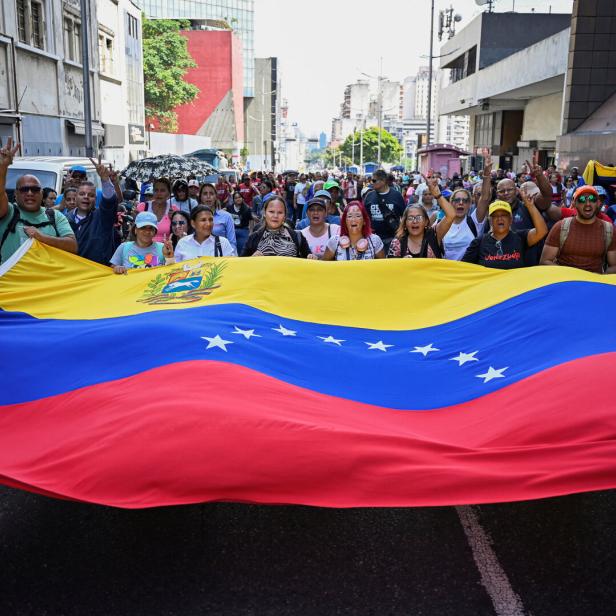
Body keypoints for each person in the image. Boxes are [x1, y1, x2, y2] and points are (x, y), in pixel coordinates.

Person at [0, 137, 77, 263]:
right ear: (15, 194)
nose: (30, 193)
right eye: (24, 189)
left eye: (35, 189)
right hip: (14, 281)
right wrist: (3, 168)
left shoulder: (55, 216)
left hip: (47, 280)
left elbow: (72, 246)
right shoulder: (7, 212)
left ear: (41, 194)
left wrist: (41, 237)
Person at [540, 186, 616, 274]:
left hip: (594, 285)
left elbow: (614, 266)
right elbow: (545, 261)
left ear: (598, 203)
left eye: (592, 199)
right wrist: (571, 276)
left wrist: (599, 277)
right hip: (566, 284)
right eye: (582, 199)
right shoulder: (560, 227)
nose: (588, 203)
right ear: (574, 203)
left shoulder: (609, 229)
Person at [462, 193, 548, 269]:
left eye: (504, 215)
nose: (500, 219)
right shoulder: (479, 242)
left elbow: (542, 231)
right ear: (490, 220)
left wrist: (530, 206)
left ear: (510, 220)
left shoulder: (521, 237)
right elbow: (463, 268)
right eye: (495, 216)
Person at [66, 155, 120, 265]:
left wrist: (105, 180)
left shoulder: (103, 217)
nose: (86, 197)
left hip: (98, 273)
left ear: (96, 199)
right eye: (82, 194)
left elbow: (110, 201)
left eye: (90, 195)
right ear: (75, 197)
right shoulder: (65, 219)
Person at [388, 178, 456, 258]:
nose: (415, 221)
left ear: (426, 222)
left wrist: (437, 194)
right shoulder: (397, 243)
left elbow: (451, 215)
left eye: (419, 217)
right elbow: (392, 268)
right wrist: (402, 264)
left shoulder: (434, 236)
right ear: (405, 223)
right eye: (410, 218)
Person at [242, 196, 311, 258]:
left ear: (284, 216)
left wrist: (311, 256)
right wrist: (251, 258)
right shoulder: (254, 238)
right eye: (271, 212)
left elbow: (309, 261)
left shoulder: (297, 237)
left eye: (280, 212)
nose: (275, 216)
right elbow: (241, 264)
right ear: (264, 214)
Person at [363, 169, 406, 253]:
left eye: (374, 180)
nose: (371, 183)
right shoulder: (369, 196)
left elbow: (404, 216)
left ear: (383, 181)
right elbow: (365, 216)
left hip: (393, 238)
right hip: (373, 239)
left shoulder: (397, 196)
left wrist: (400, 233)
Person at [441, 187, 488, 260]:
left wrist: (486, 176)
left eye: (465, 201)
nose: (461, 203)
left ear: (469, 204)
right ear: (451, 203)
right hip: (446, 270)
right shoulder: (441, 224)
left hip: (468, 270)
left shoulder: (474, 222)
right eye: (457, 200)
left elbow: (485, 198)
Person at [136, 178, 178, 242]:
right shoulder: (143, 207)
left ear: (169, 193)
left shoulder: (174, 209)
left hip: (166, 249)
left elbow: (178, 233)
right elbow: (135, 231)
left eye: (162, 190)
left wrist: (174, 220)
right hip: (145, 248)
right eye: (156, 190)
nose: (159, 193)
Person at [198, 183, 237, 250]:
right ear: (200, 197)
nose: (208, 196)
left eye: (211, 193)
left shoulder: (227, 216)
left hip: (221, 257)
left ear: (216, 196)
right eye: (205, 194)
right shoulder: (195, 217)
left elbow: (232, 243)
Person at [226, 190, 252, 255]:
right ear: (233, 199)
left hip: (243, 230)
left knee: (242, 250)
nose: (238, 199)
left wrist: (251, 232)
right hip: (232, 230)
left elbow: (251, 220)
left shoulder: (247, 209)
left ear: (242, 198)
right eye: (236, 198)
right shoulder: (229, 208)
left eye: (239, 197)